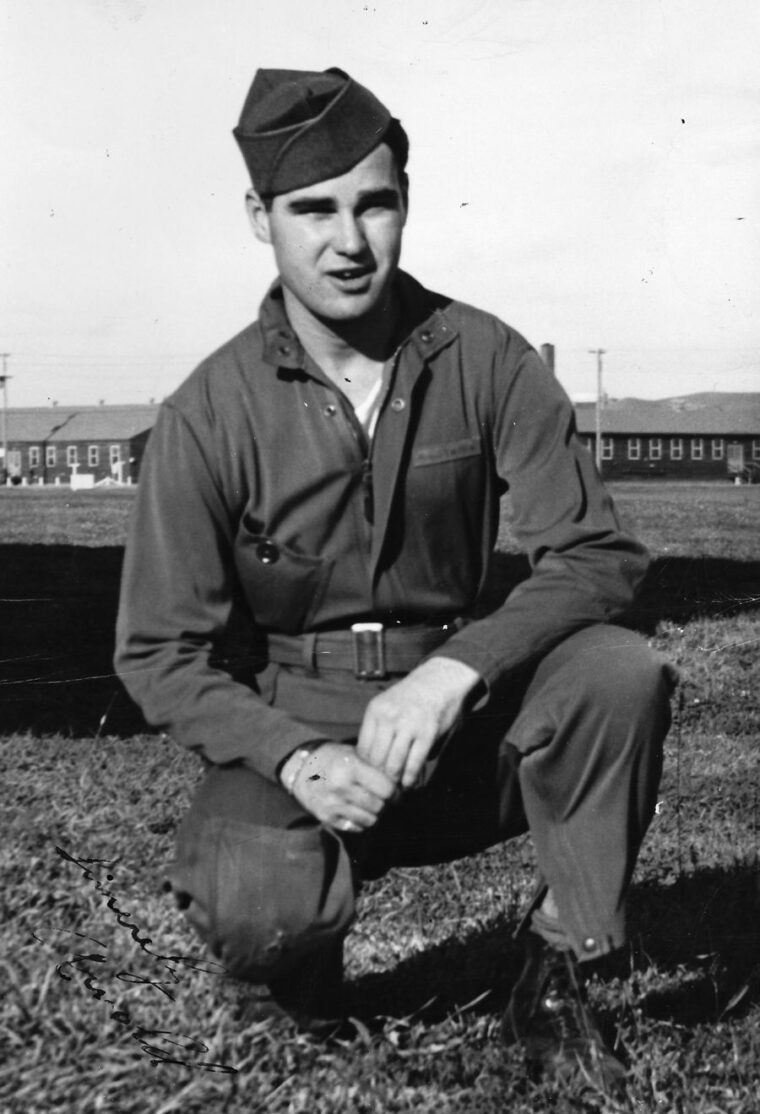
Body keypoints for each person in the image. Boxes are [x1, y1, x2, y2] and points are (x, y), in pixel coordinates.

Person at [114, 66, 676, 1096]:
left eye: (374, 203)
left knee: (617, 673)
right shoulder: (207, 409)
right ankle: (291, 971)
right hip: (307, 734)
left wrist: (456, 669)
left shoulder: (487, 358)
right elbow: (158, 651)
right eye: (311, 209)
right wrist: (291, 761)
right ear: (259, 217)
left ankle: (556, 967)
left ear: (405, 202)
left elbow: (596, 556)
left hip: (460, 724)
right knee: (252, 889)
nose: (348, 240)